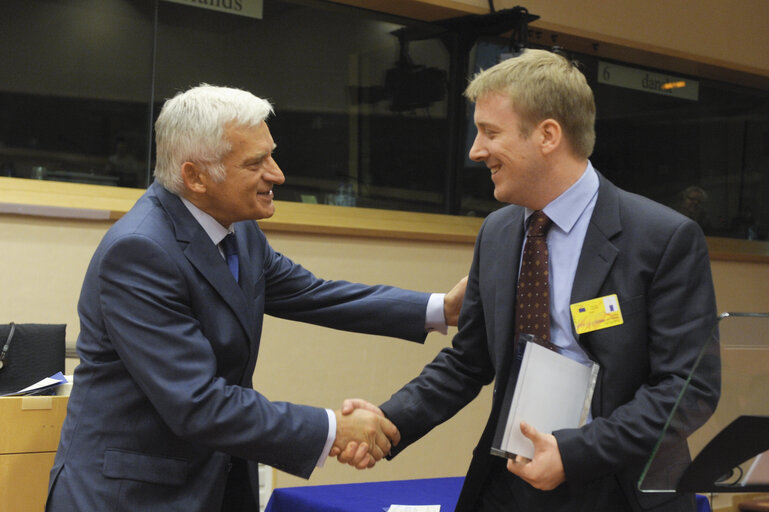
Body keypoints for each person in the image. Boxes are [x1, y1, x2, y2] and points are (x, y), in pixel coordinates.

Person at [46, 84, 465, 512]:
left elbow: (314, 294)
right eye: (255, 163)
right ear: (195, 176)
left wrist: (440, 309)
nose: (277, 174)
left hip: (215, 484)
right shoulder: (140, 251)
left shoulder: (238, 231)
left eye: (271, 154)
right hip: (133, 496)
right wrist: (332, 429)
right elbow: (198, 403)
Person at [339, 49, 720, 511]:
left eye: (489, 133)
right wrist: (388, 421)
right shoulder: (498, 233)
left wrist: (575, 453)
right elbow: (468, 361)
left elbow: (687, 388)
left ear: (548, 135)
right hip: (509, 482)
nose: (475, 151)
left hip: (618, 488)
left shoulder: (662, 238)